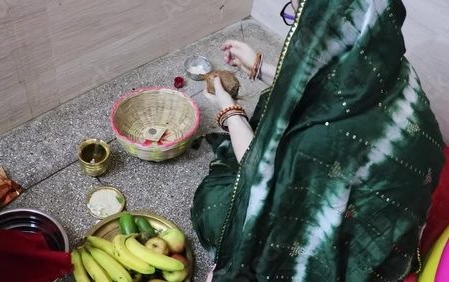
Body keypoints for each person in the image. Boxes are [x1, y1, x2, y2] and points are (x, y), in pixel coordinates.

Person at [190, 0, 447, 281]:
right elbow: (332, 87)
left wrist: (229, 110)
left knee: (214, 205)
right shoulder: (395, 71)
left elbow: (260, 176)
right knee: (274, 105)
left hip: (340, 240)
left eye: (299, 14)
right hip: (389, 220)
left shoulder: (314, 142)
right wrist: (259, 67)